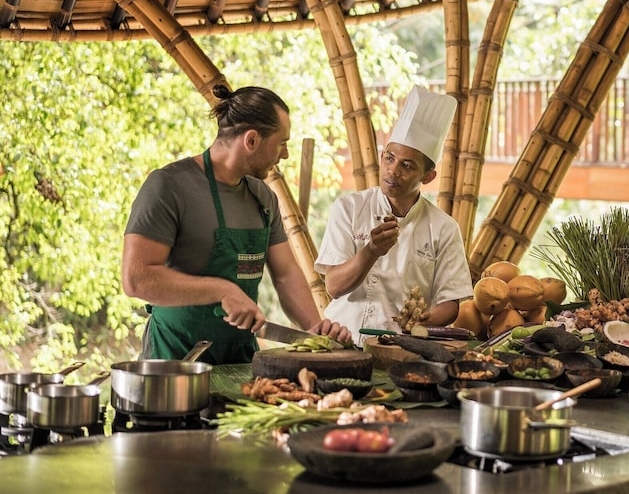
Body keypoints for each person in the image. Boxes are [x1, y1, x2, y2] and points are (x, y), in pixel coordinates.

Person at [122, 84, 351, 364]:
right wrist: (223, 290)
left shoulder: (263, 196)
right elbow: (137, 278)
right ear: (251, 140)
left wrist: (315, 330)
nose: (286, 155)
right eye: (281, 143)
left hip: (240, 362)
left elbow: (286, 274)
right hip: (175, 362)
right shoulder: (169, 186)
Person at [315, 86, 474, 343]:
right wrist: (371, 251)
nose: (392, 171)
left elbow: (450, 302)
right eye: (389, 158)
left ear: (428, 176)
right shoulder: (349, 208)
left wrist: (425, 321)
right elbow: (334, 286)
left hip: (402, 346)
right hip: (342, 340)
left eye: (406, 166)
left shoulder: (443, 228)